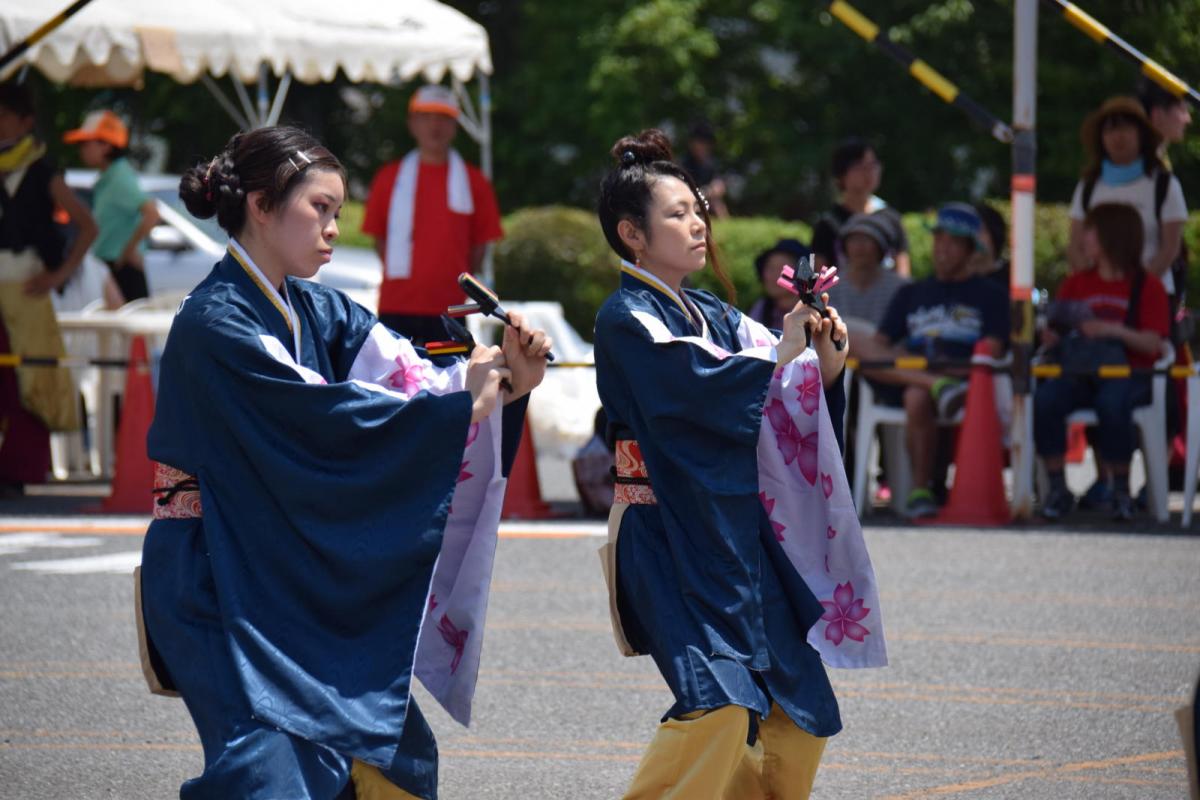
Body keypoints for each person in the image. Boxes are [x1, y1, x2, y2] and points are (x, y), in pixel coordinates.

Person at [138, 126, 551, 799]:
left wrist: (506, 377)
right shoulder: (217, 322)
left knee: (392, 747)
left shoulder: (319, 308)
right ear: (264, 205)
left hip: (284, 565)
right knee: (271, 764)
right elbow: (321, 419)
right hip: (217, 573)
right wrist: (462, 406)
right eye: (319, 209)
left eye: (337, 211)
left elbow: (411, 378)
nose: (334, 229)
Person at [593, 129, 886, 800]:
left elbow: (782, 378)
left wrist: (823, 350)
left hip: (733, 534)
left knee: (800, 714)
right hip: (666, 536)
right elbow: (700, 384)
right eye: (678, 215)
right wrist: (781, 357)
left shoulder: (714, 314)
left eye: (698, 210)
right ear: (632, 235)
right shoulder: (625, 318)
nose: (698, 224)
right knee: (720, 706)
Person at [861, 203, 1009, 519]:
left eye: (953, 242)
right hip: (915, 370)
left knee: (916, 395)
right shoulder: (911, 293)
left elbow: (993, 350)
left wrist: (954, 369)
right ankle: (935, 385)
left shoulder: (991, 294)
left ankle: (920, 489)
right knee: (853, 342)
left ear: (971, 249)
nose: (943, 248)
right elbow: (879, 346)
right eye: (939, 238)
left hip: (964, 375)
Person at [1036, 203, 1168, 522]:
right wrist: (1052, 337)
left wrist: (1111, 330)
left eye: (1092, 230)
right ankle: (1057, 487)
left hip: (1130, 372)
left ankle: (1120, 490)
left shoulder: (1147, 286)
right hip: (1080, 371)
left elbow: (1154, 343)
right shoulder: (1077, 282)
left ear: (1112, 236)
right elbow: (1056, 329)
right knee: (1046, 400)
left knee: (1113, 402)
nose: (1084, 238)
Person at [0, 82, 94, 497]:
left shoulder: (41, 169)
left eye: (3, 115)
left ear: (25, 121)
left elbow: (88, 226)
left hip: (27, 287)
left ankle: (20, 470)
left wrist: (59, 276)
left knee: (30, 380)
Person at [362, 85, 503, 345]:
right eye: (426, 117)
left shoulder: (475, 182)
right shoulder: (388, 178)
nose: (434, 126)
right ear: (412, 123)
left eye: (443, 118)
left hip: (451, 309)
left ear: (454, 126)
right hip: (397, 306)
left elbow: (480, 245)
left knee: (451, 384)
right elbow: (379, 240)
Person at [1067, 96, 1186, 303]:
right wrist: (1094, 285)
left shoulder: (1164, 185)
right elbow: (1075, 245)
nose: (1117, 137)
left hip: (1151, 296)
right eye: (1110, 129)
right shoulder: (1089, 185)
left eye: (1125, 128)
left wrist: (1139, 286)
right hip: (1097, 299)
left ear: (1142, 135)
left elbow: (1170, 248)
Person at [63, 110, 160, 304]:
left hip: (122, 269)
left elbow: (151, 213)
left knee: (130, 331)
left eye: (85, 143)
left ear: (106, 145)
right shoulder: (110, 177)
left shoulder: (119, 178)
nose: (81, 149)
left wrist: (129, 251)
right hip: (112, 266)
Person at [810, 138, 910, 277]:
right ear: (841, 174)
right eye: (859, 166)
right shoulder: (827, 225)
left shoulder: (891, 218)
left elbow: (902, 272)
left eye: (873, 165)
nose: (869, 172)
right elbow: (819, 277)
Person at [825, 212, 908, 331]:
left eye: (866, 240)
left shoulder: (901, 289)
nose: (859, 247)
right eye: (854, 240)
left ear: (880, 247)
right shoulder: (829, 289)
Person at [746, 237, 810, 330]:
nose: (775, 276)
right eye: (770, 268)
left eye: (782, 268)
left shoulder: (814, 312)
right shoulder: (761, 308)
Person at [1137, 77, 1193, 170]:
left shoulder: (1158, 158)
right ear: (1157, 114)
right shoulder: (1136, 161)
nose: (1188, 120)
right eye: (1182, 110)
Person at [678, 120, 730, 218]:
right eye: (701, 143)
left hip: (708, 202)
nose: (704, 147)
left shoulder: (710, 164)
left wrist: (718, 186)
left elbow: (719, 182)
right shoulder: (683, 165)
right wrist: (708, 191)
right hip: (691, 203)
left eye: (707, 143)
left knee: (717, 202)